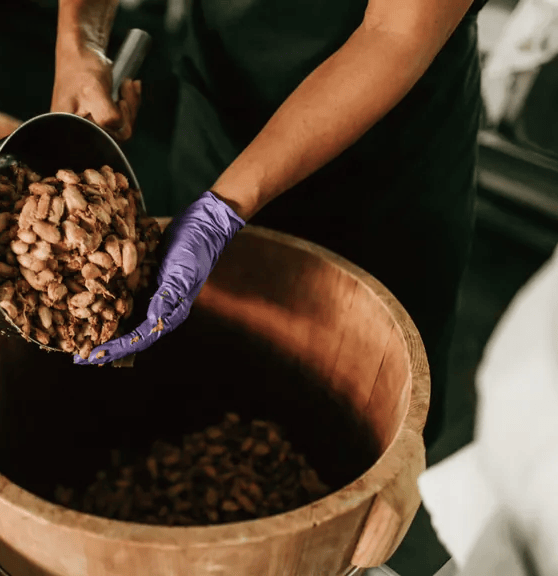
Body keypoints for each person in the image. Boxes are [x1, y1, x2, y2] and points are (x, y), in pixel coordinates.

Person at [51, 0, 487, 444]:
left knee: (358, 422)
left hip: (386, 143)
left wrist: (221, 210)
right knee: (199, 379)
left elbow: (394, 34)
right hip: (224, 102)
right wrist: (79, 43)